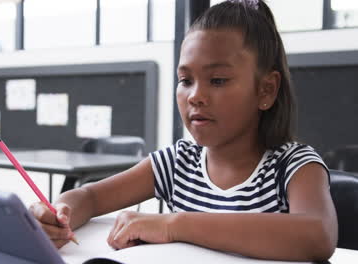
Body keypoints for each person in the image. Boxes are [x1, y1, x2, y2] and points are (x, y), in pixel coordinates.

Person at [30, 0, 338, 261]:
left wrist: (173, 224)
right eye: (185, 80)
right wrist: (60, 212)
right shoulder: (177, 163)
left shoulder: (294, 165)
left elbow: (318, 234)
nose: (195, 96)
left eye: (217, 80)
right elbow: (90, 196)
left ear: (266, 90)